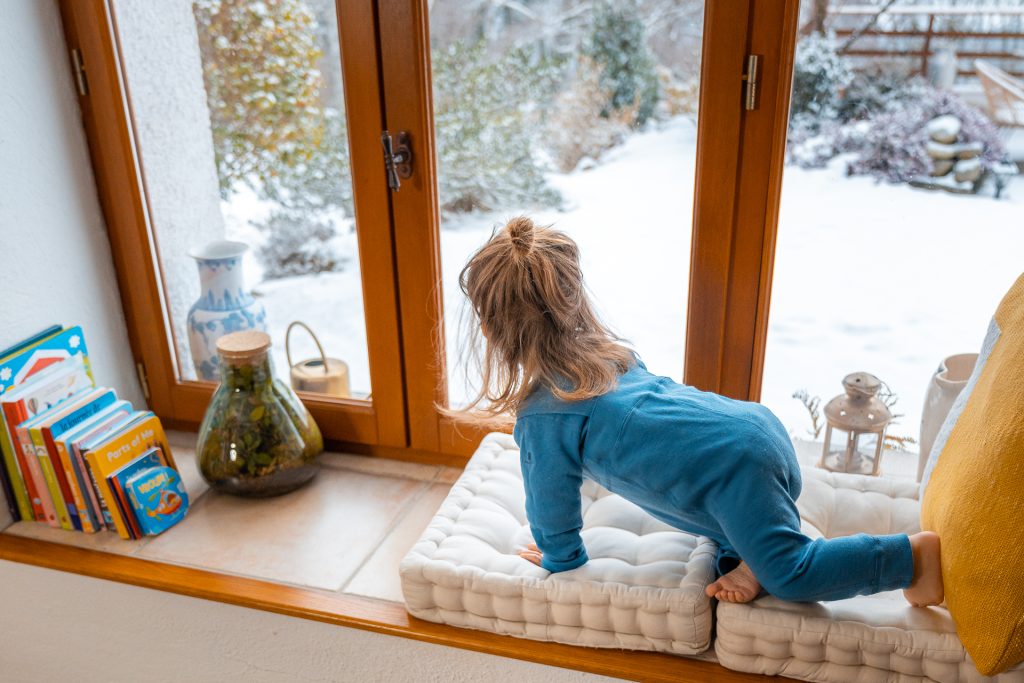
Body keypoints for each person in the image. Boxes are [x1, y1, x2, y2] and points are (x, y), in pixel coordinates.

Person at [453, 216, 943, 605]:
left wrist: (560, 556)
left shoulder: (543, 417)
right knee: (706, 497)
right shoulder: (610, 355)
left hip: (739, 471)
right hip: (757, 431)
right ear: (573, 299)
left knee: (791, 575)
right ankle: (745, 558)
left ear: (495, 332)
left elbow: (550, 504)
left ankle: (909, 557)